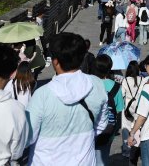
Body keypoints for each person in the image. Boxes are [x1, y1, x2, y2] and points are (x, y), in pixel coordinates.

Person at [26, 32, 109, 165]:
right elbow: (101, 124)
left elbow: (28, 137)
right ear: (82, 58)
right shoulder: (97, 85)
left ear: (55, 61)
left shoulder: (42, 95)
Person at [94, 54, 124, 166]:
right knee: (104, 155)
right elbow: (119, 109)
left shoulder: (90, 84)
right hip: (109, 128)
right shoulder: (116, 87)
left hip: (91, 127)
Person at [121, 61, 144, 160]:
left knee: (126, 128)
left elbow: (122, 94)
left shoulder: (125, 81)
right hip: (139, 107)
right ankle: (137, 146)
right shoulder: (143, 80)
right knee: (138, 127)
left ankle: (127, 150)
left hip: (127, 107)